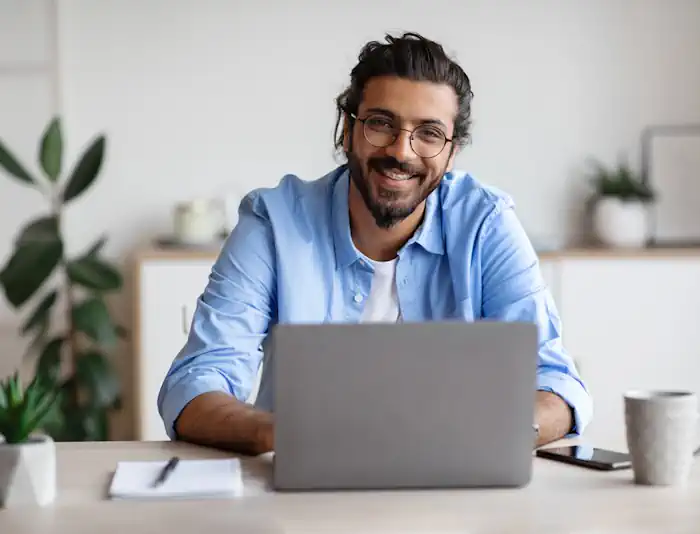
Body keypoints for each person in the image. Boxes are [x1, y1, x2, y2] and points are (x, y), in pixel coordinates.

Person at [157, 32, 592, 455]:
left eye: (429, 134)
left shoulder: (486, 224)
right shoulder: (274, 223)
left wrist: (494, 433)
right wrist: (280, 433)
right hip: (303, 496)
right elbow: (196, 383)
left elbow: (557, 383)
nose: (401, 151)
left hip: (456, 492)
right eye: (381, 124)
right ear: (348, 129)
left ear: (451, 152)